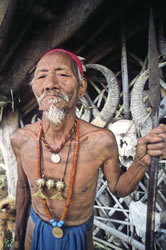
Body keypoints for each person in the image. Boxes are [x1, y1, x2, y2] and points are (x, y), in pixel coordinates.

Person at [11, 49, 166, 250]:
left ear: (82, 87)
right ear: (34, 89)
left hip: (79, 237)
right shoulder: (21, 139)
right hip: (35, 231)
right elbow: (23, 187)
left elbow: (119, 189)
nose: (50, 84)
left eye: (63, 74)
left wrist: (140, 162)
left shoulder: (100, 141)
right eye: (41, 76)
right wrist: (17, 238)